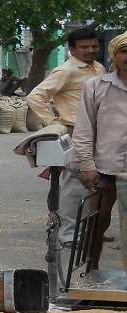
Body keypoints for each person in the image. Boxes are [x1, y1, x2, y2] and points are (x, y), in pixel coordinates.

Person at [27, 27, 105, 246]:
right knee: (76, 185)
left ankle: (91, 229)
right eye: (84, 47)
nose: (90, 50)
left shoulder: (98, 68)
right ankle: (69, 235)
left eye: (94, 46)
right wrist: (54, 124)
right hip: (75, 131)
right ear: (72, 49)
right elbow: (36, 97)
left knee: (96, 183)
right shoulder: (66, 70)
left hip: (99, 132)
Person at [72, 32, 127, 269]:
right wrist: (87, 166)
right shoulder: (96, 86)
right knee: (97, 220)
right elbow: (84, 130)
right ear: (114, 55)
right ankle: (89, 270)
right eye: (123, 51)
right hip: (106, 166)